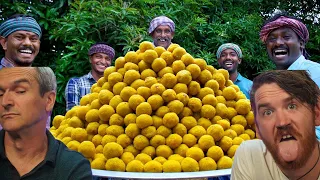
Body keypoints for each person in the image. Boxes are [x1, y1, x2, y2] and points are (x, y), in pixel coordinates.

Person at [0, 67, 92, 179]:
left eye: (20, 91)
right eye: (0, 93)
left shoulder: (73, 167)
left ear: (49, 100)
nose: (5, 102)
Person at [231, 70, 320, 180]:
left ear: (316, 113)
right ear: (257, 127)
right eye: (268, 112)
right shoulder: (250, 156)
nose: (282, 122)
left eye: (292, 106)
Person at [260, 12, 320, 140]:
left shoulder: (315, 73)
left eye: (286, 37)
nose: (278, 43)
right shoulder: (272, 82)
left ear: (301, 44)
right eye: (272, 39)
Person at [65, 42, 115, 111]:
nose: (103, 61)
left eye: (107, 59)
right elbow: (72, 114)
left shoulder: (114, 85)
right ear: (90, 59)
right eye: (98, 57)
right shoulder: (76, 83)